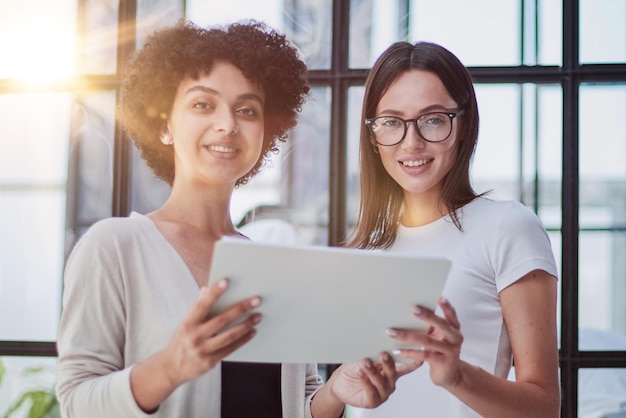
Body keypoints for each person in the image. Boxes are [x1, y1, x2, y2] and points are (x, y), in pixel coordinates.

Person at [56, 20, 410, 418]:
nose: (227, 124)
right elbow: (76, 402)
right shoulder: (115, 246)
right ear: (164, 125)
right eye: (202, 104)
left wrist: (337, 392)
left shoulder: (275, 268)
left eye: (246, 109)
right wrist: (171, 368)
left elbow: (299, 403)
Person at [346, 41, 561, 418]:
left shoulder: (508, 228)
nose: (412, 142)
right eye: (392, 122)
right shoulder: (365, 251)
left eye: (432, 119)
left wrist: (457, 376)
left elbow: (545, 407)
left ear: (463, 124)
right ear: (373, 136)